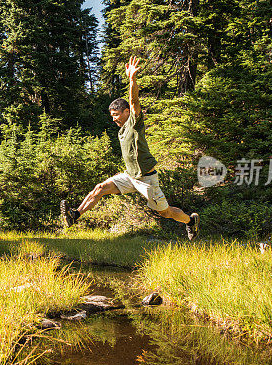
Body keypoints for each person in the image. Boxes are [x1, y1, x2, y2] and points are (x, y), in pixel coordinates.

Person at [60, 56, 200, 240]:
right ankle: (75, 215)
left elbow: (134, 102)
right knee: (100, 188)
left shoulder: (135, 123)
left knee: (165, 212)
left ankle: (190, 221)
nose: (114, 119)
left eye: (116, 114)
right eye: (112, 116)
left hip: (147, 179)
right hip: (129, 176)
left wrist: (132, 80)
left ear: (127, 112)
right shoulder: (121, 131)